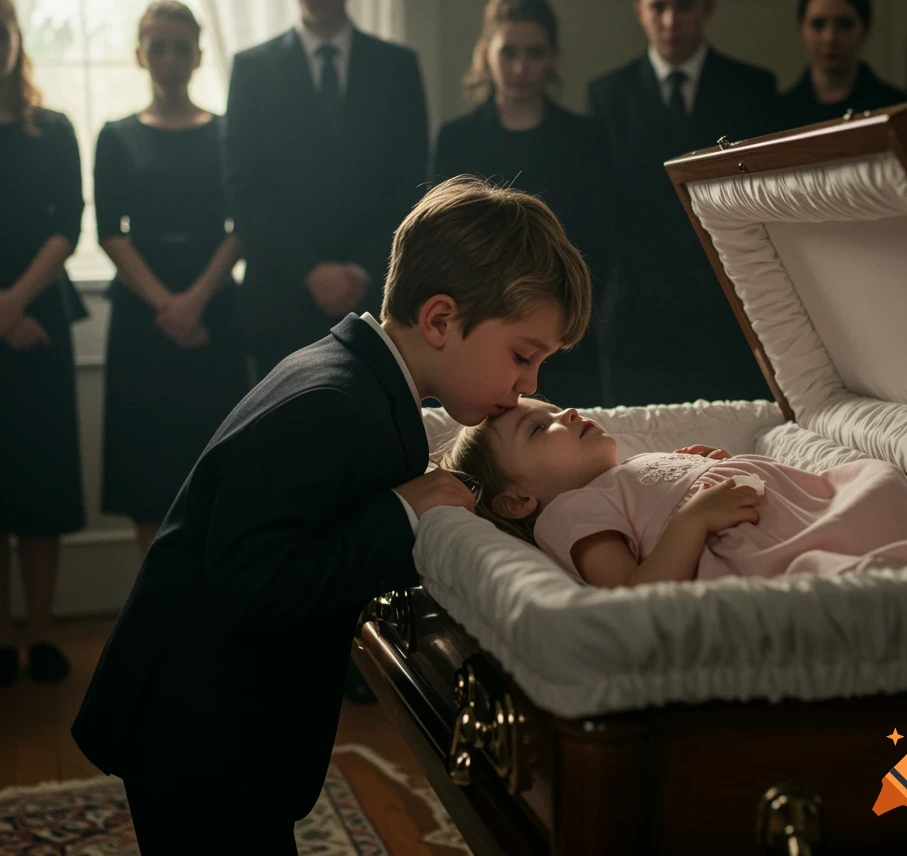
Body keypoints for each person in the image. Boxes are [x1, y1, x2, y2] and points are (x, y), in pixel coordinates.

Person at [72, 176, 592, 855]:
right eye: (523, 356)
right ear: (440, 320)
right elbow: (248, 583)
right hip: (197, 728)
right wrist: (399, 513)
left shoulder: (362, 379)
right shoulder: (334, 402)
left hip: (221, 721)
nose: (529, 385)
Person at [443, 398, 907, 588]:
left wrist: (695, 469)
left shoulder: (621, 473)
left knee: (876, 481)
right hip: (767, 545)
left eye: (554, 405)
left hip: (804, 502)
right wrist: (693, 516)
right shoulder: (569, 513)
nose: (565, 411)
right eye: (537, 427)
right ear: (518, 501)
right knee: (840, 567)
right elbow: (631, 595)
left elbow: (658, 492)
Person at [224, 0, 429, 382]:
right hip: (281, 295)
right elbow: (242, 189)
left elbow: (412, 181)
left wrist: (358, 268)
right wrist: (311, 270)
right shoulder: (251, 70)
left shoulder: (396, 67)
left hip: (378, 294)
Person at [587, 0, 776, 407]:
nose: (671, 21)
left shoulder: (753, 91)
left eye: (684, 5)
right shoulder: (606, 95)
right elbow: (601, 212)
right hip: (635, 320)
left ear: (708, 7)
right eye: (658, 7)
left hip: (728, 317)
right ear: (639, 10)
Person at [94, 1, 248, 556]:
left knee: (213, 462)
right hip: (144, 317)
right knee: (148, 472)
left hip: (215, 312)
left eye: (180, 46)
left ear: (198, 55)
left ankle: (210, 618)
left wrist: (196, 301)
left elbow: (243, 223)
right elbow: (111, 231)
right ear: (140, 54)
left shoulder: (227, 133)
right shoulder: (115, 136)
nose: (169, 57)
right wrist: (169, 306)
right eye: (157, 46)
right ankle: (153, 615)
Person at [433, 0, 613, 406]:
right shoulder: (456, 138)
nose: (519, 67)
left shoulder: (585, 138)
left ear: (551, 57)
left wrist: (563, 312)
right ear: (485, 53)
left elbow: (600, 238)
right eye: (508, 51)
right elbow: (444, 239)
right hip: (478, 326)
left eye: (534, 53)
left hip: (564, 330)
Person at [0, 0, 85, 685]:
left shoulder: (52, 128)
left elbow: (69, 223)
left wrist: (14, 302)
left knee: (41, 488)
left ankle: (41, 633)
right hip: (7, 324)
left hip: (42, 328)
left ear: (16, 40)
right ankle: (1, 638)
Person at [778, 0, 907, 131]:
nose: (830, 37)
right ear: (801, 29)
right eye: (818, 25)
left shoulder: (896, 110)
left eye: (844, 24)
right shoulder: (779, 113)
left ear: (865, 29)